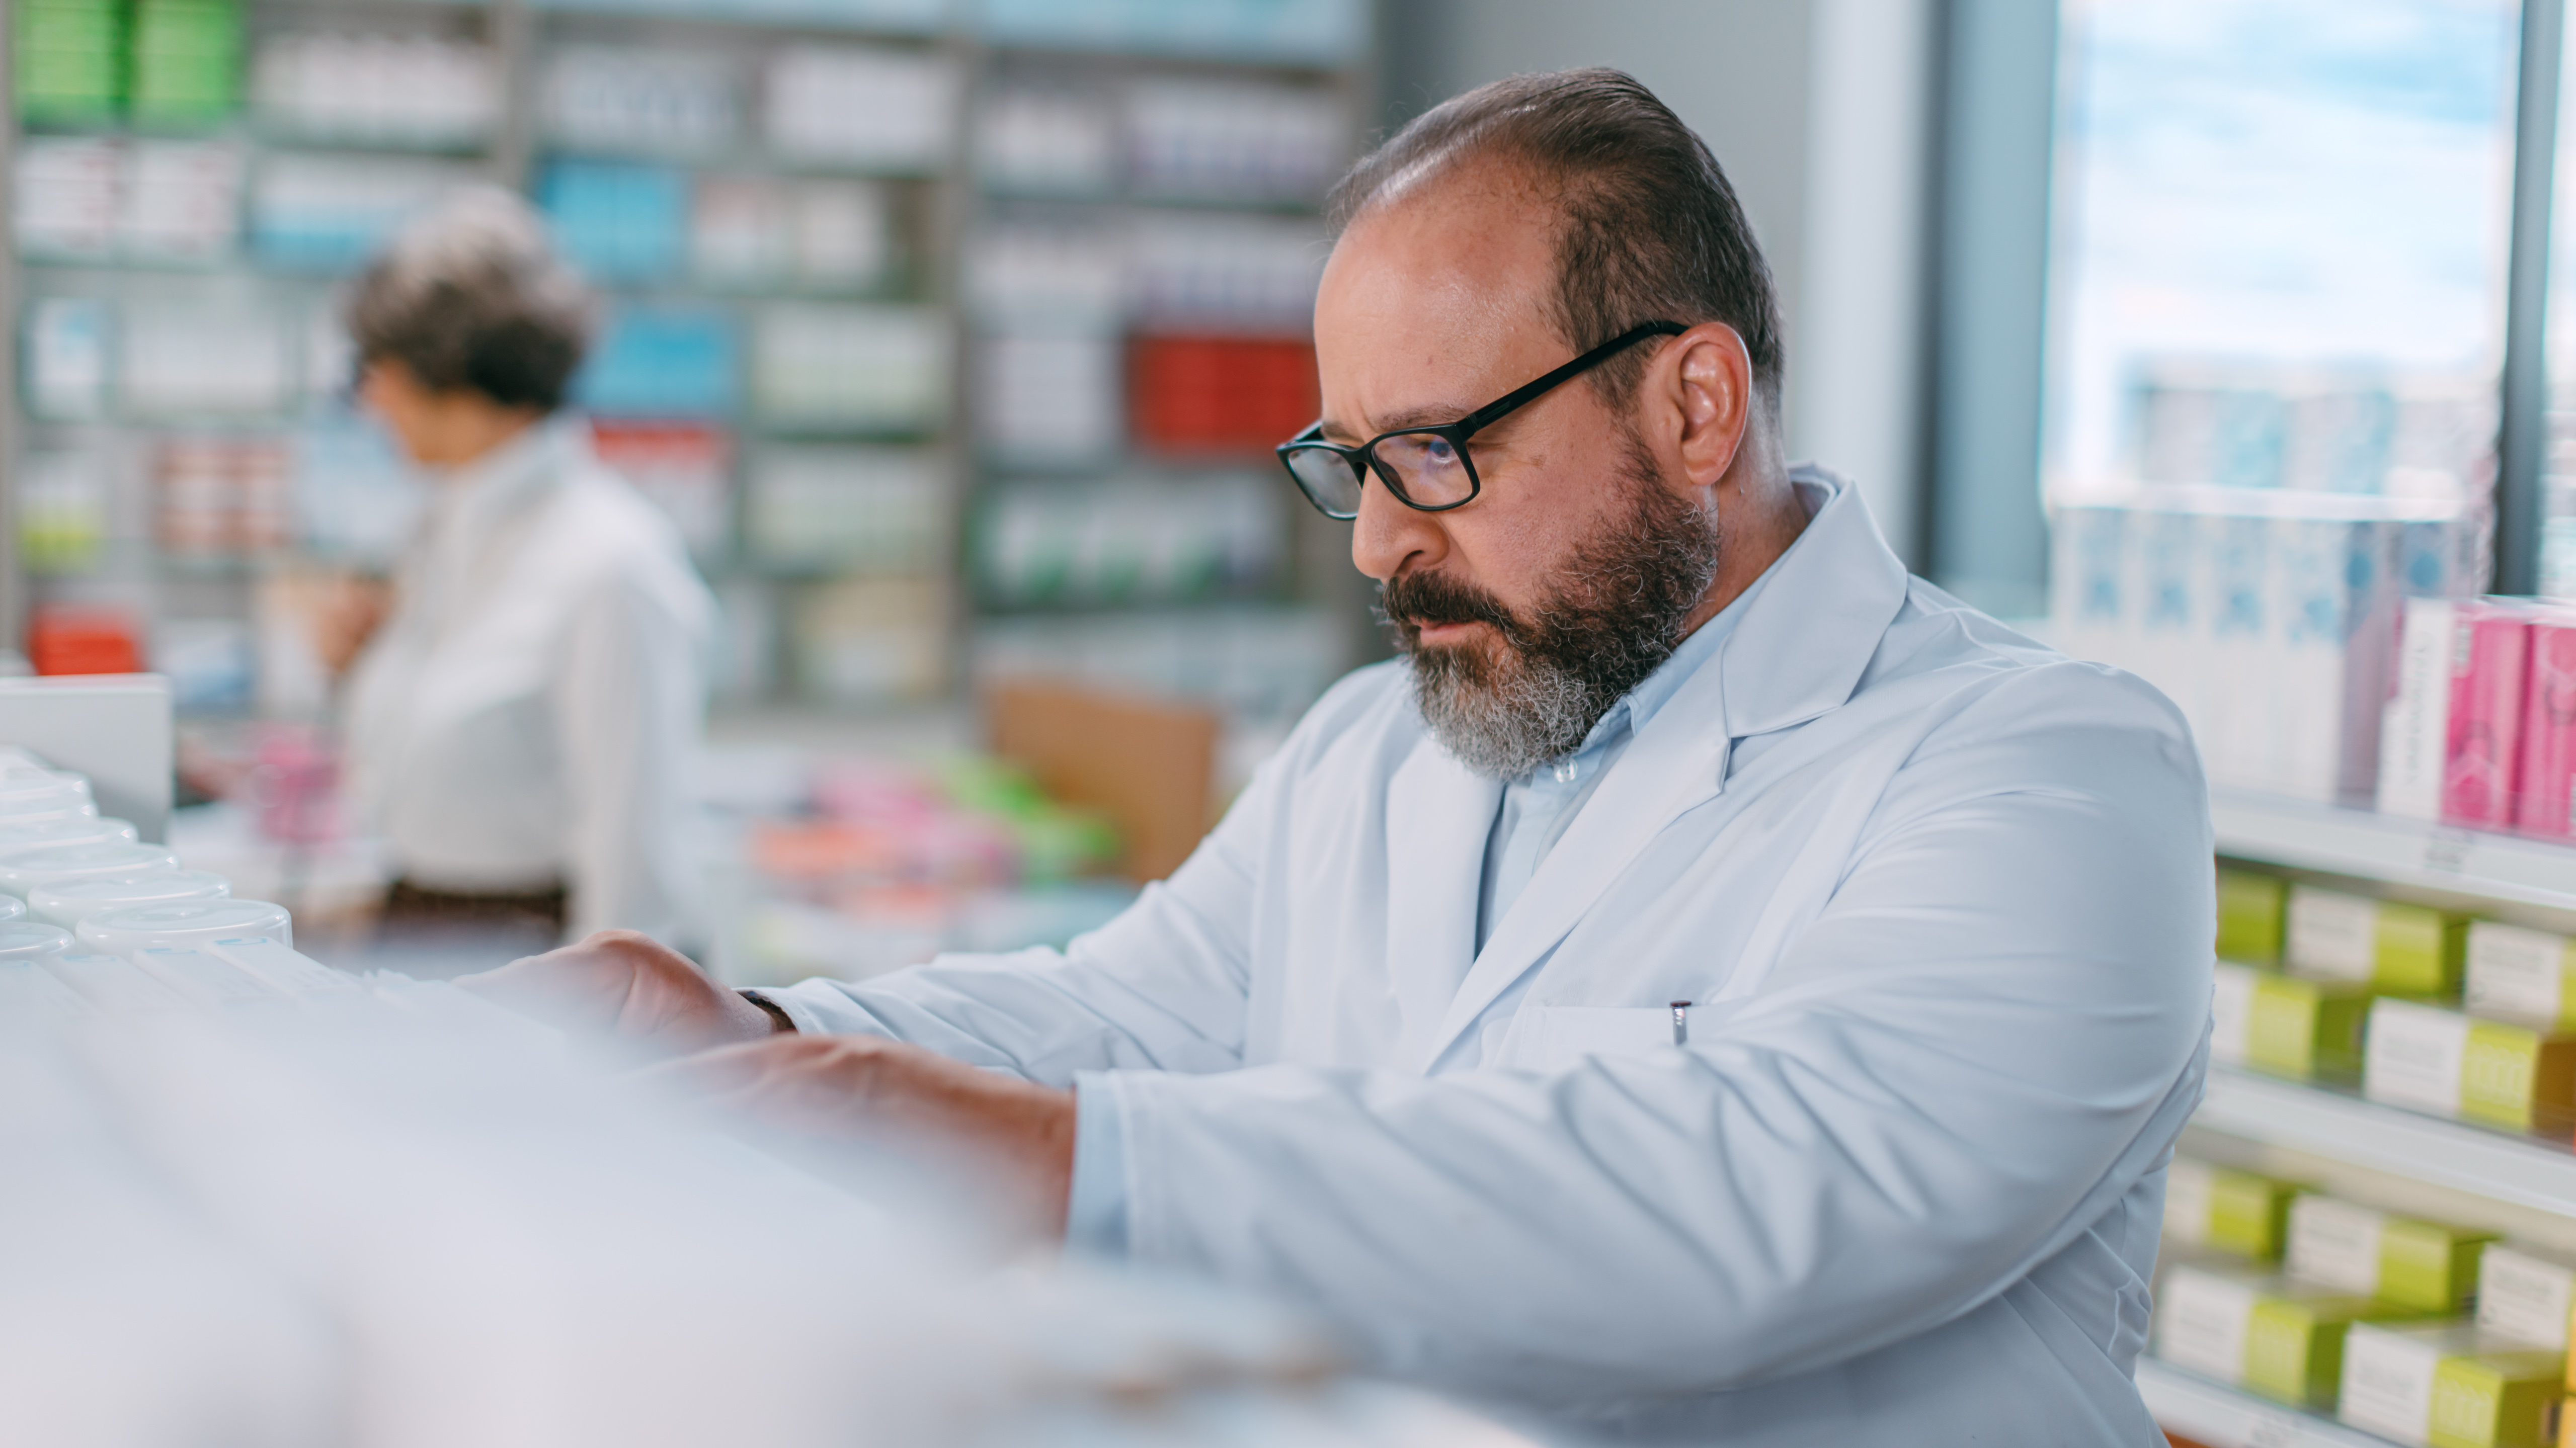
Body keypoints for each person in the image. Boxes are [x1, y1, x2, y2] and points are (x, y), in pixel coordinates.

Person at [463, 71, 2212, 1444]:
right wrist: (771, 1035)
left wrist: (1057, 1163)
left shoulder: (2045, 773)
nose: (1377, 548)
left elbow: (1736, 1197)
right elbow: (1133, 1012)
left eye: (1436, 453)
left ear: (1695, 405)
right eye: (1348, 464)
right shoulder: (1386, 747)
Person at [332, 187, 714, 952]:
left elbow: (633, 874)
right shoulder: (438, 529)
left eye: (379, 370)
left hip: (528, 967)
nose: (369, 401)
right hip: (411, 933)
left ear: (450, 370)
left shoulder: (611, 565)